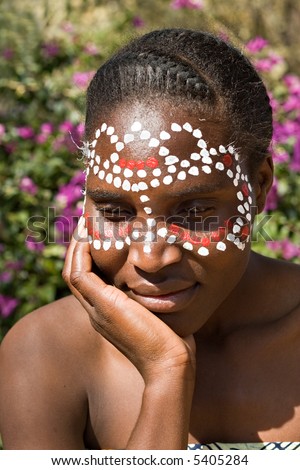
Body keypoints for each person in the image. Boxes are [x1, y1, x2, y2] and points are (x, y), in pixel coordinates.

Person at [0, 28, 300, 451]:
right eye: (116, 212)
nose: (150, 258)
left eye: (194, 213)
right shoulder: (46, 356)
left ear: (260, 188)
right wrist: (167, 375)